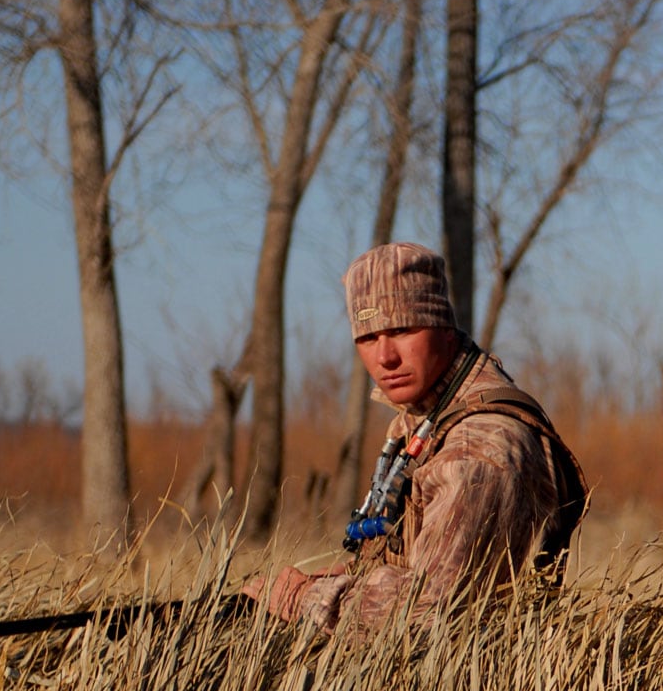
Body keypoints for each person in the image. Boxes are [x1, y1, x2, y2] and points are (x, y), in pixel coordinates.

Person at [246, 242, 586, 634]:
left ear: (444, 328)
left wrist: (305, 599)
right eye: (368, 338)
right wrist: (347, 574)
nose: (385, 357)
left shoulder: (479, 447)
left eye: (402, 330)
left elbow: (435, 612)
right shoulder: (423, 417)